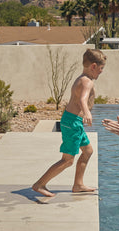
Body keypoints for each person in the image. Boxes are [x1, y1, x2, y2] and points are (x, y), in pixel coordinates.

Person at [31, 48, 107, 197]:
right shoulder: (87, 82)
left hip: (71, 120)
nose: (101, 72)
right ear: (93, 66)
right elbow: (82, 99)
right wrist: (87, 112)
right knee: (67, 160)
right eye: (101, 68)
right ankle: (39, 184)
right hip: (73, 122)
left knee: (88, 151)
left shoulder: (81, 78)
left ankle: (78, 185)